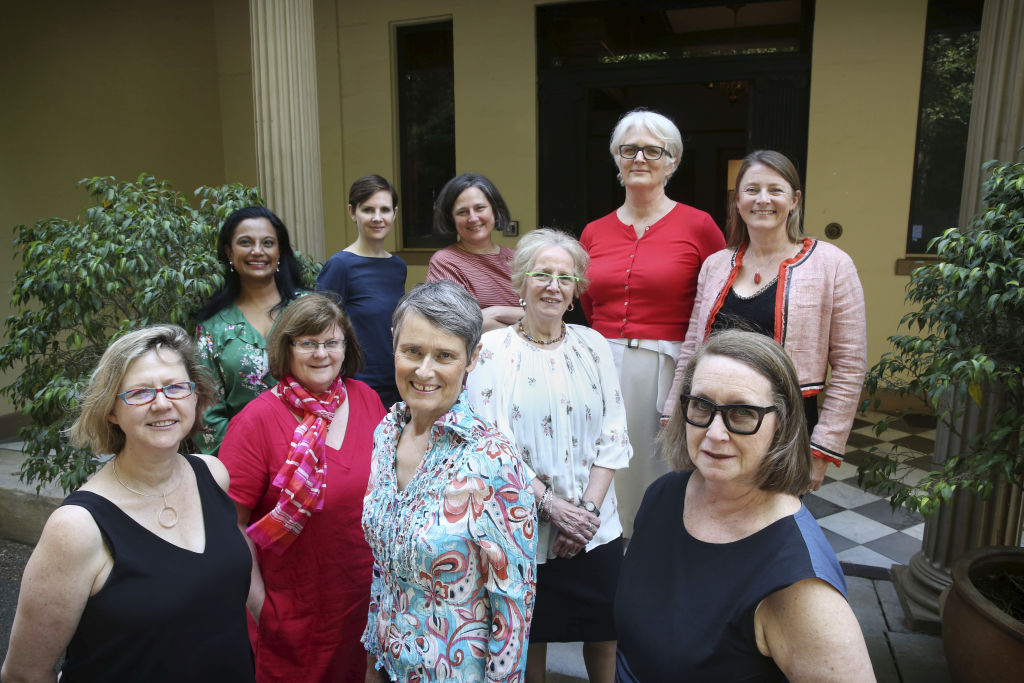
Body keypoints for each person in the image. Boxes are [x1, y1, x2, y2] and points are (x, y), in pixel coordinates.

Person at [615, 330, 875, 681]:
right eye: (702, 406)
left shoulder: (799, 588)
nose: (715, 433)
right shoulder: (664, 495)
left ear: (781, 425)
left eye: (741, 413)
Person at [1, 325, 254, 682]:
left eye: (176, 386)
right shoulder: (78, 527)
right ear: (111, 411)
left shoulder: (213, 476)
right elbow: (23, 674)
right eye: (139, 393)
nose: (163, 403)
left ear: (195, 396)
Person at [467, 229, 631, 683]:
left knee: (604, 631)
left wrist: (587, 513)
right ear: (520, 282)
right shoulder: (492, 351)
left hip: (595, 527)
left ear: (576, 290)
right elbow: (490, 444)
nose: (553, 285)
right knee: (529, 636)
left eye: (565, 277)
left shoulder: (593, 345)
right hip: (523, 528)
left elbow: (613, 434)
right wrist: (551, 507)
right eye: (542, 274)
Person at [362, 281, 537, 682]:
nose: (424, 371)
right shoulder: (386, 433)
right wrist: (373, 662)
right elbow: (382, 572)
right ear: (394, 346)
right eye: (412, 351)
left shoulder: (492, 461)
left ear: (472, 358)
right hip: (388, 665)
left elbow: (513, 607)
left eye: (444, 355)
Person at [663, 150, 867, 491]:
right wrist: (675, 418)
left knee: (771, 524)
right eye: (752, 189)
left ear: (794, 200)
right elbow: (692, 350)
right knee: (713, 513)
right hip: (712, 424)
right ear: (738, 200)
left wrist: (822, 448)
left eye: (775, 190)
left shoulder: (832, 264)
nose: (763, 200)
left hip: (786, 428)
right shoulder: (715, 264)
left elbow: (850, 364)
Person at [218, 293, 385, 683]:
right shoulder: (256, 421)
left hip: (367, 607)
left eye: (331, 342)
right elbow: (230, 526)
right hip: (293, 617)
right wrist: (263, 610)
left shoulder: (367, 400)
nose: (321, 353)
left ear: (347, 347)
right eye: (308, 343)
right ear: (286, 348)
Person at [580, 108, 725, 536]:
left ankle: (664, 546)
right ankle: (606, 545)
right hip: (602, 363)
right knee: (603, 462)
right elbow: (587, 304)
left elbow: (717, 301)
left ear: (673, 161)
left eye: (653, 150)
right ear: (617, 159)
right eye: (629, 149)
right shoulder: (593, 231)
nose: (639, 157)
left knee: (662, 465)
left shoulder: (699, 226)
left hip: (669, 365)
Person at [194, 205, 308, 454]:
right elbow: (207, 415)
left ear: (280, 251)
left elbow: (339, 380)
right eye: (246, 242)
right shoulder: (213, 327)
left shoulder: (310, 309)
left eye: (268, 243)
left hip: (316, 452)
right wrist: (249, 456)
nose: (258, 251)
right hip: (244, 459)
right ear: (229, 251)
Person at [317, 174, 407, 408]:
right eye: (368, 210)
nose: (378, 218)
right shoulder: (340, 265)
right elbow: (320, 329)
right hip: (357, 384)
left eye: (385, 210)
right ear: (352, 212)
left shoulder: (397, 266)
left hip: (398, 381)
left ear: (394, 213)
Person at [425, 172, 524, 331]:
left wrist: (494, 313)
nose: (473, 218)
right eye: (462, 212)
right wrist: (521, 328)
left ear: (494, 210)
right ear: (452, 219)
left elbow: (541, 314)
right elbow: (454, 322)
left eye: (480, 208)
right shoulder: (445, 262)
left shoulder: (518, 259)